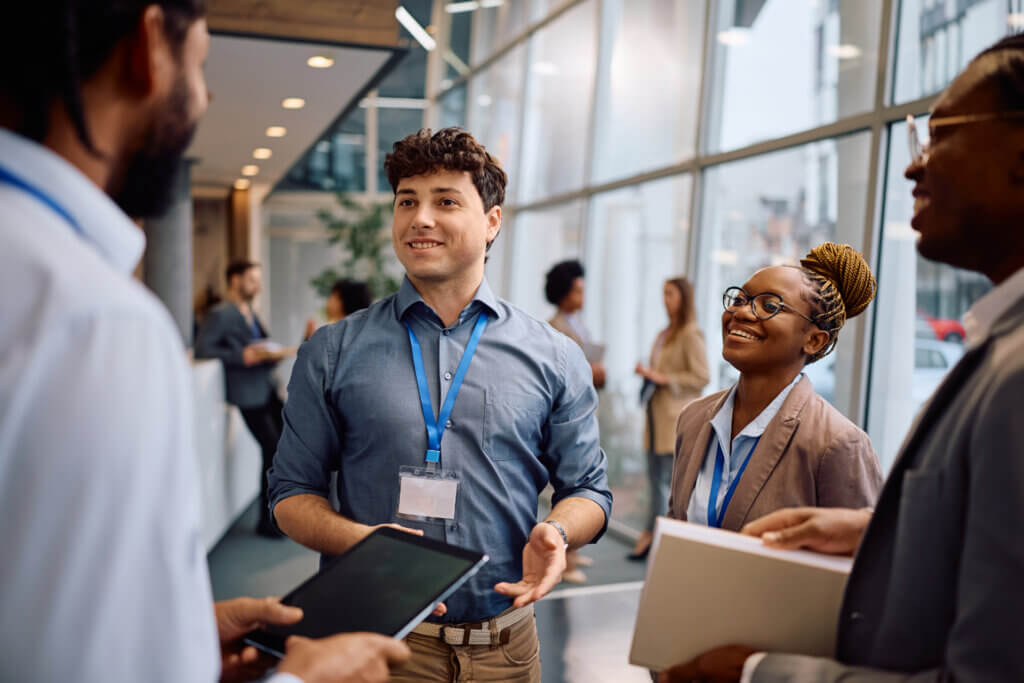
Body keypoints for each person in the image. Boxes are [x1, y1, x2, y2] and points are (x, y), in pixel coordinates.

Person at [0, 2, 409, 680]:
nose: (206, 97)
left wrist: (181, 638)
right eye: (200, 64)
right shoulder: (90, 319)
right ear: (147, 44)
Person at [659, 35, 1024, 683]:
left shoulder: (849, 438)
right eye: (740, 297)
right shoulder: (995, 346)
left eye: (941, 136)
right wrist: (867, 529)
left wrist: (760, 671)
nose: (914, 167)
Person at [268, 127, 612, 683]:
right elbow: (290, 495)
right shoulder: (333, 350)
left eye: (445, 201)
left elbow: (589, 491)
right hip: (375, 644)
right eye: (407, 201)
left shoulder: (554, 355)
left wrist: (559, 531)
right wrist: (367, 545)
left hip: (508, 646)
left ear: (492, 222)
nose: (419, 218)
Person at [666, 243, 883, 535]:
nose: (741, 312)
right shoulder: (693, 419)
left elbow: (861, 563)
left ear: (814, 341)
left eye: (770, 306)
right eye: (740, 299)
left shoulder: (837, 443)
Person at [196, 260, 293, 537]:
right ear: (235, 280)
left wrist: (269, 355)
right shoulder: (221, 314)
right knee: (273, 449)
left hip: (266, 389)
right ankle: (268, 520)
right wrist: (242, 356)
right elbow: (204, 349)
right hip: (248, 395)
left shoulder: (249, 311)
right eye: (252, 279)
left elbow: (258, 345)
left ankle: (273, 516)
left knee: (280, 450)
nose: (258, 285)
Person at [629, 276, 709, 560]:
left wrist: (663, 378)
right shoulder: (665, 333)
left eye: (670, 294)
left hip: (674, 420)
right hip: (655, 418)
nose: (665, 300)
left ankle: (661, 544)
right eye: (663, 294)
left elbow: (701, 377)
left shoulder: (690, 334)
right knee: (655, 481)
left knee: (668, 484)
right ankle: (651, 536)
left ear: (683, 298)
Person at [545, 259, 606, 388]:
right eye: (578, 291)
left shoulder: (579, 324)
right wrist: (588, 371)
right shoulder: (554, 326)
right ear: (564, 294)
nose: (583, 296)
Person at [304, 278, 372, 340]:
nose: (328, 301)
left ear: (343, 301)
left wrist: (312, 340)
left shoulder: (335, 337)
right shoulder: (361, 333)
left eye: (333, 295)